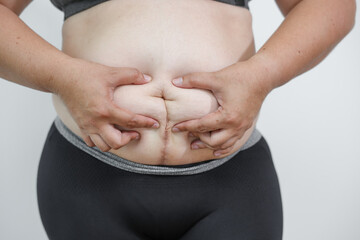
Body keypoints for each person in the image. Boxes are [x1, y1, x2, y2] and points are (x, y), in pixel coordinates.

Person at [0, 0, 355, 239]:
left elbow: (333, 6)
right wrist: (61, 76)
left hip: (230, 178)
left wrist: (263, 74)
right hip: (88, 175)